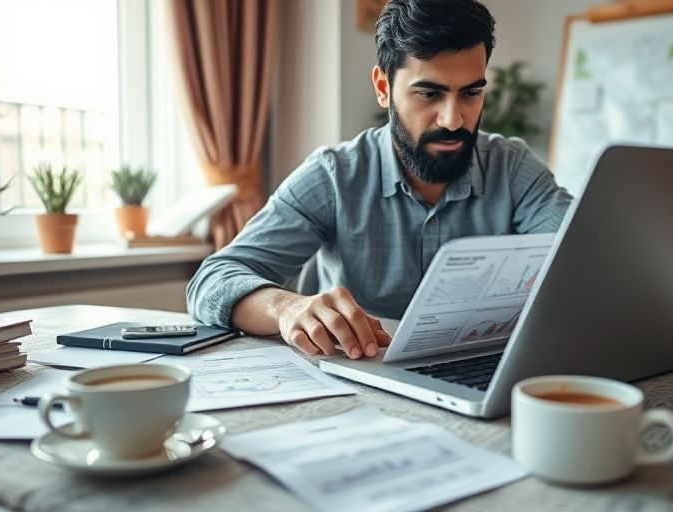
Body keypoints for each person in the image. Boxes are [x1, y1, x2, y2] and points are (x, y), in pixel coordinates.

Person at [187, 0, 572, 360]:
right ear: (384, 88)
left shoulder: (512, 167)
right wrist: (288, 307)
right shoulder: (334, 175)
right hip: (361, 375)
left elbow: (583, 260)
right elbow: (211, 281)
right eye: (428, 94)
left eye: (470, 93)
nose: (453, 119)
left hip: (476, 367)